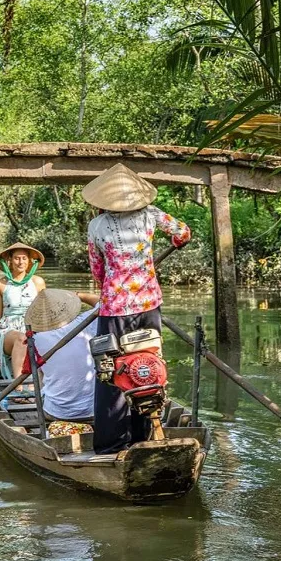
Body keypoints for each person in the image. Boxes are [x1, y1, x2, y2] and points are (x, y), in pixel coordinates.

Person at [82, 163, 191, 454]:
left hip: (114, 309)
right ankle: (142, 437)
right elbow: (183, 233)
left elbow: (98, 271)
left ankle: (110, 445)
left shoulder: (97, 226)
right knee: (145, 368)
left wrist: (112, 286)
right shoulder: (151, 215)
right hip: (148, 305)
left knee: (111, 373)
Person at [25, 288, 98, 423]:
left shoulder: (35, 339)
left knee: (41, 375)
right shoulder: (85, 322)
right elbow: (103, 304)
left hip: (57, 413)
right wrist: (78, 295)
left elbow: (38, 374)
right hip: (95, 410)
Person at [0, 242, 46, 379]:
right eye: (16, 258)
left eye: (24, 258)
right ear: (9, 260)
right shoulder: (1, 285)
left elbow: (44, 312)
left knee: (37, 340)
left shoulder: (38, 282)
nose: (20, 262)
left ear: (29, 261)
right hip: (7, 330)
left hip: (33, 327)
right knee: (22, 339)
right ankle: (19, 387)